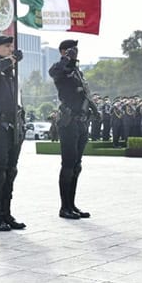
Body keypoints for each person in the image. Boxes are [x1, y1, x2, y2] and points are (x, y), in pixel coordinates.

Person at [49, 40, 101, 220]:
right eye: (72, 50)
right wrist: (67, 58)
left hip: (81, 122)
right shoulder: (60, 68)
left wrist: (94, 110)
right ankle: (64, 207)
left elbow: (85, 94)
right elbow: (55, 72)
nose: (76, 52)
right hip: (68, 122)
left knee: (77, 166)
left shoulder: (77, 71)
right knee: (68, 165)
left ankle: (72, 205)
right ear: (63, 51)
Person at [0, 35, 26, 231]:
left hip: (14, 125)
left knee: (11, 171)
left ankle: (6, 213)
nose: (10, 49)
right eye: (7, 46)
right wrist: (10, 60)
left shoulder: (9, 71)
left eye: (11, 46)